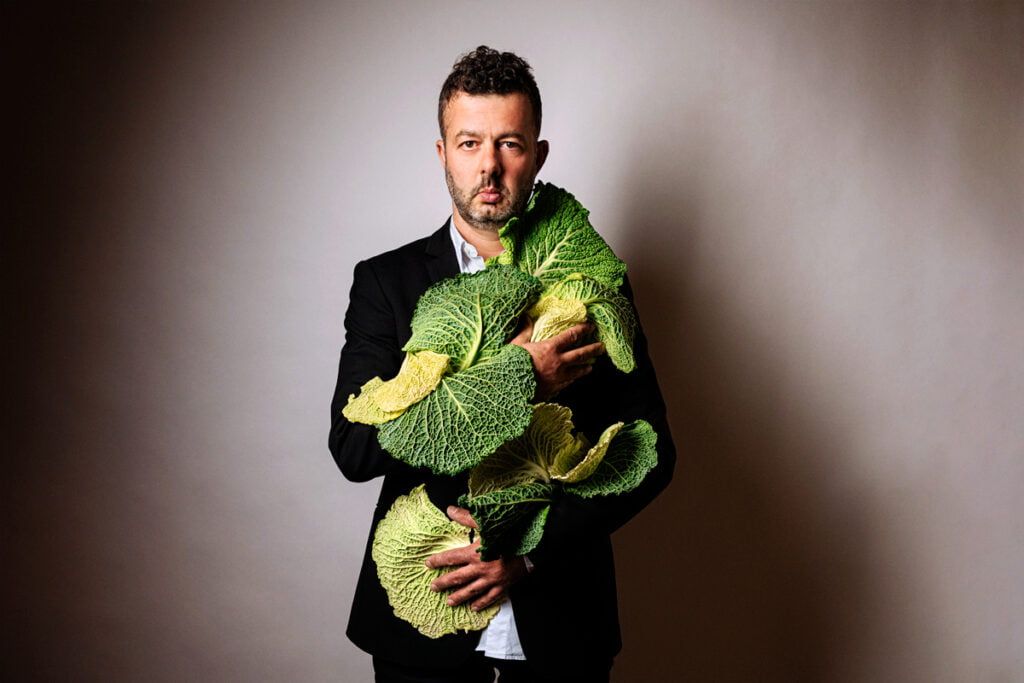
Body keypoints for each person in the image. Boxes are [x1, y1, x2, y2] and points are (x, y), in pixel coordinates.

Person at [329, 46, 676, 683]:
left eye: (510, 143)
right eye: (468, 143)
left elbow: (653, 453)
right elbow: (352, 448)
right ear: (442, 153)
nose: (488, 166)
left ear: (538, 155)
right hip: (422, 637)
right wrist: (512, 379)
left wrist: (530, 553)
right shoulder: (387, 283)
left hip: (560, 624)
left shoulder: (591, 284)